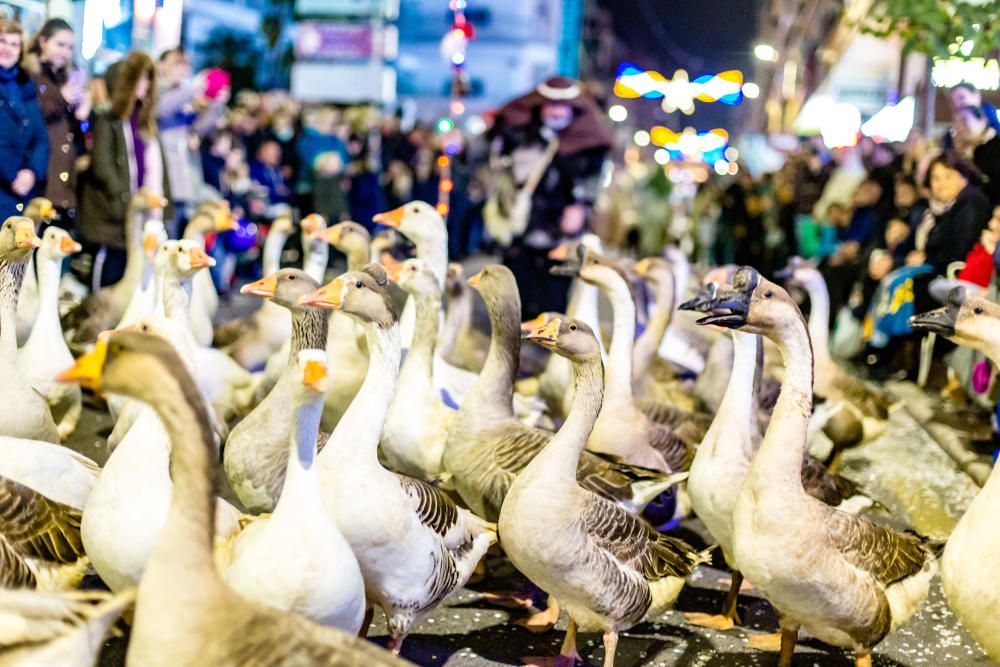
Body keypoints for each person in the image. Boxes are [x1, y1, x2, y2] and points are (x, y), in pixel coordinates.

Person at [489, 76, 611, 318]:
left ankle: (549, 344)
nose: (556, 111)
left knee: (554, 292)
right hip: (523, 225)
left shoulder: (587, 144)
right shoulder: (521, 136)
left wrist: (580, 205)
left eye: (562, 106)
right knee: (518, 287)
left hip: (561, 232)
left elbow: (591, 180)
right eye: (551, 105)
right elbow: (499, 167)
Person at [78, 51, 172, 287]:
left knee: (130, 286)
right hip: (111, 219)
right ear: (125, 83)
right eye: (140, 78)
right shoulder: (108, 121)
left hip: (137, 219)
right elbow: (103, 167)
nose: (146, 84)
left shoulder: (145, 122)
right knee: (105, 287)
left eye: (148, 79)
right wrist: (124, 203)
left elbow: (155, 172)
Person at [27, 18, 89, 225]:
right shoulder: (30, 74)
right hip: (39, 172)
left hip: (63, 172)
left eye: (70, 47)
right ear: (43, 41)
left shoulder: (66, 78)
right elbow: (30, 120)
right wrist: (61, 99)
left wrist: (83, 115)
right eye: (60, 44)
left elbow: (77, 132)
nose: (65, 52)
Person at [0, 19, 48, 220]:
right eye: (2, 41)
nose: (8, 49)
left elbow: (41, 138)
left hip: (24, 193)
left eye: (14, 44)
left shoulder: (26, 85)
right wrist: (13, 176)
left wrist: (32, 172)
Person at [249, 139, 290, 206]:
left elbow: (287, 189)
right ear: (263, 152)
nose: (277, 155)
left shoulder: (277, 170)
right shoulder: (255, 169)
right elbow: (259, 190)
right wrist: (275, 191)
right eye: (273, 152)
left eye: (278, 152)